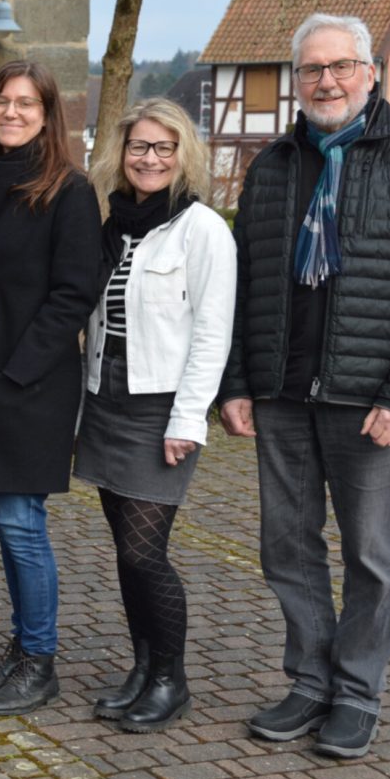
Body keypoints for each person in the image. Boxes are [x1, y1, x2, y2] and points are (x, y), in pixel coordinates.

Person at [220, 13, 390, 759]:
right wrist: (236, 382)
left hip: (370, 403)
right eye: (311, 70)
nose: (325, 81)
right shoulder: (271, 167)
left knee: (369, 556)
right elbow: (243, 283)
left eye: (340, 66)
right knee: (286, 548)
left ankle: (357, 693)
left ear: (370, 71)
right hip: (282, 395)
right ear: (297, 80)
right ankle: (309, 680)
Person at [0, 60, 102, 716]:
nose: (11, 112)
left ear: (47, 114)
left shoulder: (70, 191)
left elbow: (73, 295)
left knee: (20, 522)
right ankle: (23, 646)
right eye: (1, 101)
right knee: (8, 524)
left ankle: (40, 660)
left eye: (25, 103)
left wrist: (15, 369)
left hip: (29, 385)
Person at [77, 98, 236, 732]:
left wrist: (188, 418)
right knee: (124, 549)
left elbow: (212, 333)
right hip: (105, 395)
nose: (150, 159)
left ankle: (173, 678)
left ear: (183, 156)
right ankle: (143, 668)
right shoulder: (112, 226)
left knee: (147, 552)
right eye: (140, 147)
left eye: (164, 148)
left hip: (160, 405)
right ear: (122, 154)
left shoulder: (203, 230)